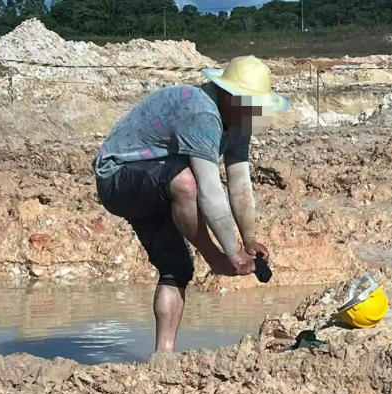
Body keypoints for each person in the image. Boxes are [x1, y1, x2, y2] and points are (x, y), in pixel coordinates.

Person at [94, 55, 289, 352]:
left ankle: (164, 357)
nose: (253, 113)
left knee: (177, 268)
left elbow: (239, 180)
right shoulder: (202, 112)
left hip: (159, 184)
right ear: (228, 95)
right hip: (118, 178)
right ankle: (212, 258)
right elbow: (209, 189)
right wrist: (229, 252)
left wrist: (249, 238)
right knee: (186, 183)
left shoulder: (237, 122)